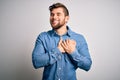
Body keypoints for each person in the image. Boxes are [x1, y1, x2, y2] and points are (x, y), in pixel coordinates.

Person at [32, 2, 92, 80]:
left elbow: (87, 65)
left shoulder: (79, 38)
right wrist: (58, 50)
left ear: (66, 18)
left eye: (58, 14)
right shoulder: (43, 37)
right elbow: (36, 62)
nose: (54, 17)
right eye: (52, 14)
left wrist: (73, 52)